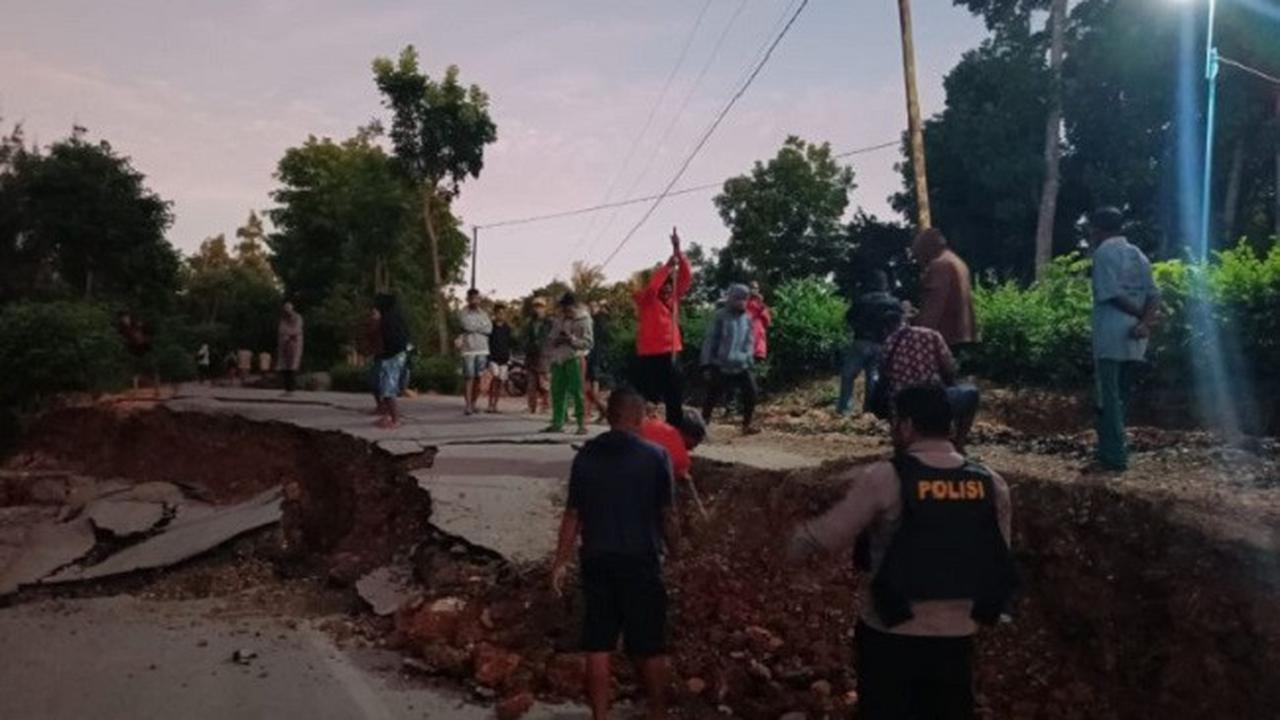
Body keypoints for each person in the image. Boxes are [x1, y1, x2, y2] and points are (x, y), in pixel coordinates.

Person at [788, 385, 1015, 720]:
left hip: (891, 631)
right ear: (950, 427)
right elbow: (997, 558)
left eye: (894, 422)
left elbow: (830, 535)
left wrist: (795, 541)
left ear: (906, 425)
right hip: (958, 637)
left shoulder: (886, 477)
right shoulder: (991, 483)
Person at [551, 387, 678, 720]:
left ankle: (600, 717)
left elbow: (573, 515)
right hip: (641, 560)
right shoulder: (655, 457)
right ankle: (660, 713)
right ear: (638, 417)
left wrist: (560, 562)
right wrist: (679, 552)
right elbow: (667, 516)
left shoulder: (586, 456)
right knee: (649, 645)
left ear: (610, 417)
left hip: (596, 559)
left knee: (598, 643)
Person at [1088, 207, 1159, 473]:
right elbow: (1154, 295)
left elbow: (1112, 294)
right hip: (1137, 339)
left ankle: (1113, 457)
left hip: (1111, 336)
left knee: (1108, 397)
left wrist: (1141, 316)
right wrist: (1145, 322)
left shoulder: (1104, 253)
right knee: (1122, 398)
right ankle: (1112, 450)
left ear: (1097, 229)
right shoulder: (1138, 255)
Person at [878, 310, 980, 450]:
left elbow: (884, 377)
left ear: (885, 329)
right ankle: (959, 444)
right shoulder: (931, 334)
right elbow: (949, 368)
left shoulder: (888, 344)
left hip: (903, 402)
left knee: (888, 396)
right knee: (971, 392)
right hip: (934, 399)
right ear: (905, 321)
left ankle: (901, 444)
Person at [632, 229, 693, 426]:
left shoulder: (673, 298)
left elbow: (685, 277)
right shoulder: (646, 299)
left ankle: (674, 429)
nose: (667, 287)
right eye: (664, 284)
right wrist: (667, 267)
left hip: (671, 350)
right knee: (649, 394)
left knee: (674, 392)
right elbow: (652, 288)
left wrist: (677, 250)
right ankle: (643, 427)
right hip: (650, 353)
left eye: (669, 284)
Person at [837, 271, 903, 417]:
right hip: (882, 343)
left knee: (848, 375)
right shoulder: (893, 302)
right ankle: (870, 410)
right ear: (885, 284)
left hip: (861, 341)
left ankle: (844, 410)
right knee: (873, 377)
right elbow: (899, 322)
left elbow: (849, 318)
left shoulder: (862, 300)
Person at [700, 284, 758, 435]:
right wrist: (706, 364)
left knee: (751, 392)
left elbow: (750, 340)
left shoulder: (747, 318)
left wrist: (749, 358)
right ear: (731, 299)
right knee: (713, 395)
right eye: (738, 299)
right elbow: (710, 340)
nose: (742, 302)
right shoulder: (720, 316)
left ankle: (747, 425)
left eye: (744, 299)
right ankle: (702, 425)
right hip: (721, 364)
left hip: (742, 363)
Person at [912, 229, 978, 350]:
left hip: (946, 336)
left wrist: (917, 332)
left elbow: (935, 304)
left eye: (918, 254)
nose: (919, 261)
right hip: (964, 333)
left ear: (927, 248)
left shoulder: (939, 265)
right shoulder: (957, 261)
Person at [544, 292, 594, 435]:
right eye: (563, 308)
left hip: (575, 357)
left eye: (567, 308)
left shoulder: (584, 319)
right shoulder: (559, 319)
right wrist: (556, 340)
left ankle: (581, 424)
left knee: (577, 391)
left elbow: (589, 342)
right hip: (558, 358)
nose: (565, 311)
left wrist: (571, 340)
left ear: (574, 306)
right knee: (557, 391)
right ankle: (558, 422)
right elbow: (551, 338)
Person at [640, 407, 707, 486]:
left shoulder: (652, 423)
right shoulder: (682, 461)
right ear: (688, 435)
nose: (697, 444)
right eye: (697, 439)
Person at [374, 293, 411, 429]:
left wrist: (385, 354)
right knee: (385, 387)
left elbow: (392, 340)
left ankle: (395, 420)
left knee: (388, 389)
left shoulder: (388, 319)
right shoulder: (395, 316)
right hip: (396, 355)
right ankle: (389, 416)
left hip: (392, 356)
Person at [458, 288, 493, 416]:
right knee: (469, 377)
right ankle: (467, 406)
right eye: (472, 298)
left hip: (483, 349)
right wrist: (480, 327)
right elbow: (466, 326)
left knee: (479, 377)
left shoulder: (484, 313)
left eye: (477, 298)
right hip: (468, 350)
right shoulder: (463, 312)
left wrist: (475, 328)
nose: (475, 301)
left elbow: (489, 329)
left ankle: (473, 404)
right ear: (468, 299)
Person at [523, 297, 552, 414]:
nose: (538, 309)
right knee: (531, 384)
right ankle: (532, 407)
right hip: (531, 356)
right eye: (536, 306)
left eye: (540, 306)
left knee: (544, 383)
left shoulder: (549, 322)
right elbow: (525, 338)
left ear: (544, 308)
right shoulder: (529, 323)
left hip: (545, 356)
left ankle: (546, 406)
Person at [584, 301, 611, 423]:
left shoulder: (599, 321)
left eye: (593, 307)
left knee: (591, 390)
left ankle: (606, 412)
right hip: (593, 357)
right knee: (589, 390)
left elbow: (599, 341)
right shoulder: (595, 320)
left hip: (596, 358)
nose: (591, 309)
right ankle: (603, 412)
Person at [486, 303, 514, 414]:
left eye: (503, 313)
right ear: (495, 314)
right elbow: (488, 342)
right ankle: (490, 404)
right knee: (495, 378)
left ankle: (495, 405)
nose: (501, 315)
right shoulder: (490, 327)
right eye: (499, 313)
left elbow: (510, 343)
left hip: (504, 358)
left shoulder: (507, 328)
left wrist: (510, 356)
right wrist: (488, 357)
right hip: (493, 358)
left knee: (500, 382)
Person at [276, 301, 304, 395]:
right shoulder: (283, 319)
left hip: (294, 345)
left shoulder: (298, 318)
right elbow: (281, 330)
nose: (286, 312)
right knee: (285, 368)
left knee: (292, 367)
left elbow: (296, 330)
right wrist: (285, 336)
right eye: (285, 310)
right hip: (285, 346)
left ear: (291, 309)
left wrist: (288, 335)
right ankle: (287, 389)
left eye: (288, 310)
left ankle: (291, 389)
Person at [746, 281, 772, 364]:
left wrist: (761, 305)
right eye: (752, 288)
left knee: (757, 364)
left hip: (758, 340)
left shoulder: (761, 305)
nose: (754, 290)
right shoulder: (744, 303)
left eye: (756, 288)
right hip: (746, 340)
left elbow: (768, 321)